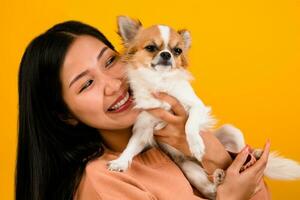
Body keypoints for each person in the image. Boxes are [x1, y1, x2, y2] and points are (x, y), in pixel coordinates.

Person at [16, 20, 271, 200]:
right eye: (87, 84)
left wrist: (214, 152)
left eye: (110, 61)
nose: (113, 84)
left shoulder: (171, 135)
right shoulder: (105, 182)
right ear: (65, 114)